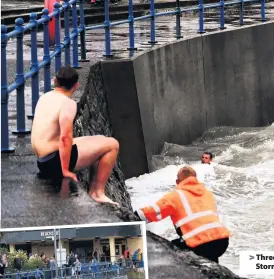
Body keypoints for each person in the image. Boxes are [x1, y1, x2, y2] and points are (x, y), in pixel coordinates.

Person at [30, 66, 120, 205]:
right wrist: (66, 171)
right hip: (53, 163)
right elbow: (65, 138)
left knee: (101, 140)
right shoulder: (68, 104)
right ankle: (98, 192)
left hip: (42, 159)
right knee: (112, 144)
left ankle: (94, 189)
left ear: (55, 81)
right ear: (76, 85)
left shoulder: (45, 97)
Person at [134, 166, 230, 263]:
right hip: (221, 241)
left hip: (199, 244)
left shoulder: (175, 196)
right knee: (211, 262)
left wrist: (134, 215)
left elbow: (154, 212)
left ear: (177, 181)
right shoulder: (208, 194)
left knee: (169, 250)